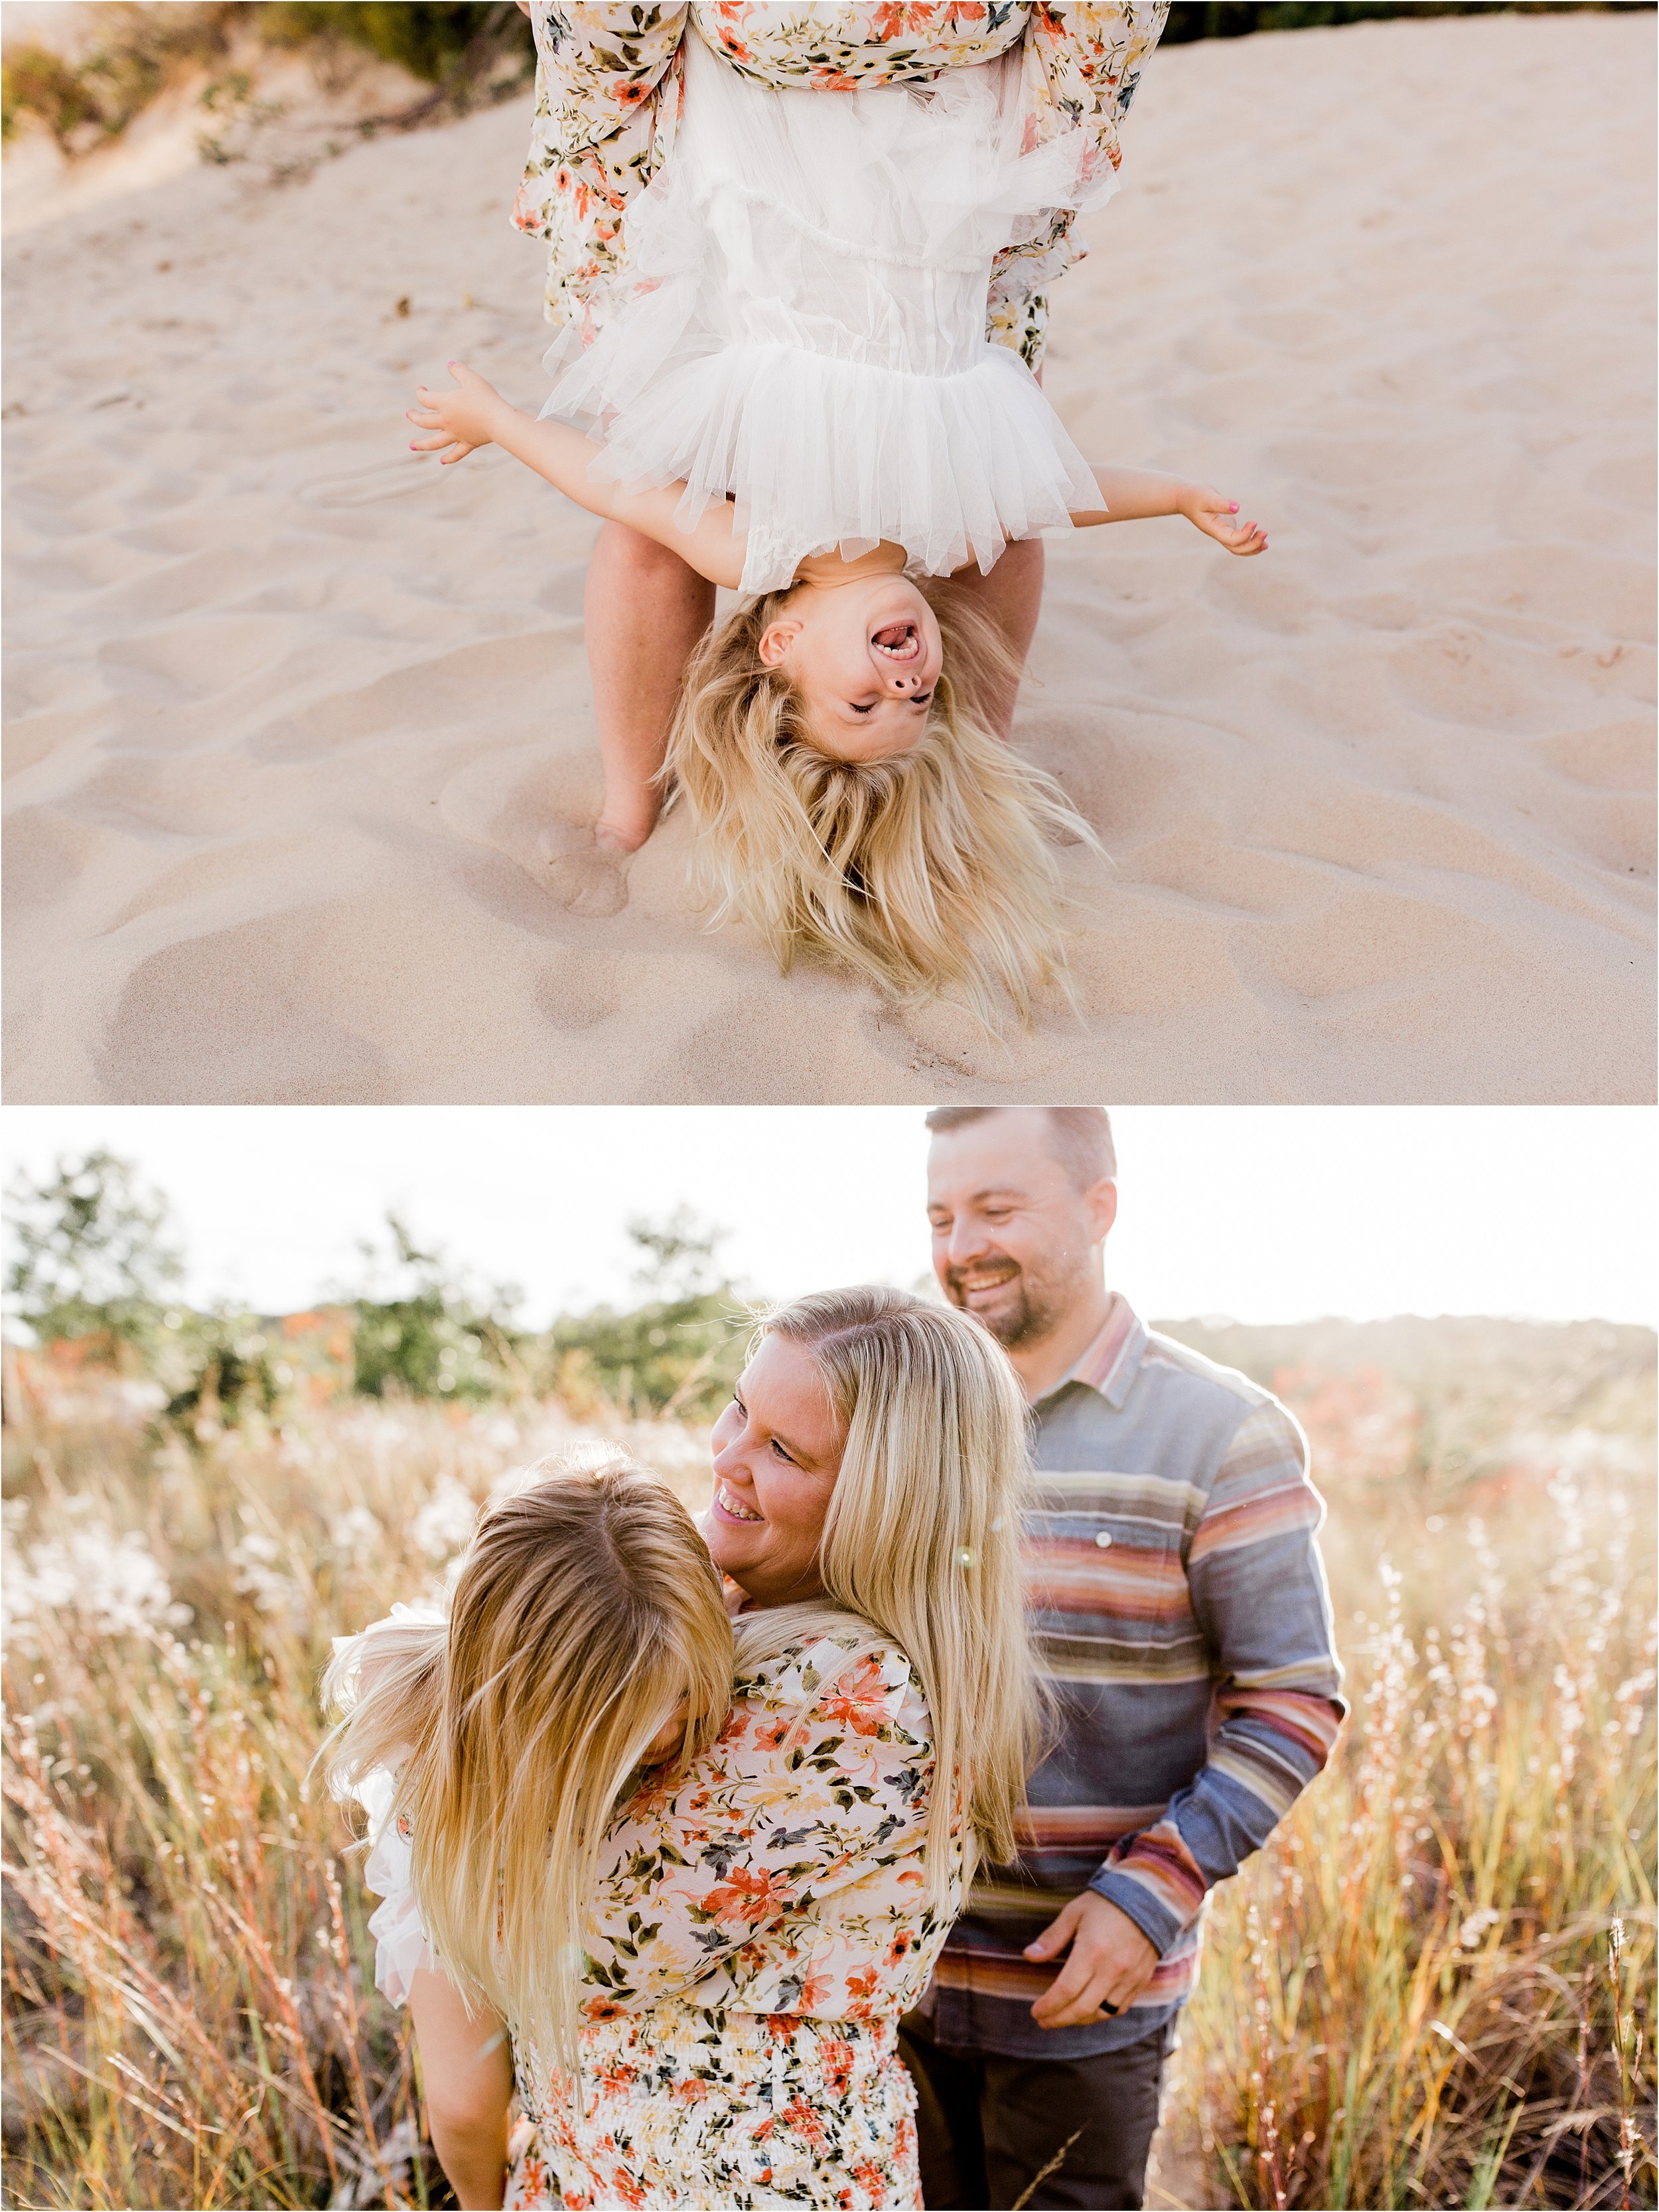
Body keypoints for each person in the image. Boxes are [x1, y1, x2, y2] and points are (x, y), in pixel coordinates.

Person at [408, 5, 1267, 1026]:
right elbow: (1057, 489)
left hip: (772, 201)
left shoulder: (754, 539)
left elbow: (609, 483)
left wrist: (498, 420)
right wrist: (1175, 498)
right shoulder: (941, 526)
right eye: (917, 705)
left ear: (780, 644)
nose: (906, 683)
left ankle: (628, 800)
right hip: (928, 185)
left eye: (863, 706)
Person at [323, 1288, 1041, 2210]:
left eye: (784, 1449)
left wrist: (453, 1745)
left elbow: (564, 1942)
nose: (726, 1456)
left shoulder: (858, 1691)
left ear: (886, 1503)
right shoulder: (724, 1614)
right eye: (741, 1407)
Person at [908, 1107, 1347, 2211]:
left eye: (997, 1208)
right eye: (943, 1215)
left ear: (1100, 1207)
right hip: (885, 1987)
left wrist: (1150, 1893)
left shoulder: (1224, 1433)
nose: (963, 1247)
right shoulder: (907, 1422)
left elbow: (1291, 1702)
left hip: (1080, 1999)